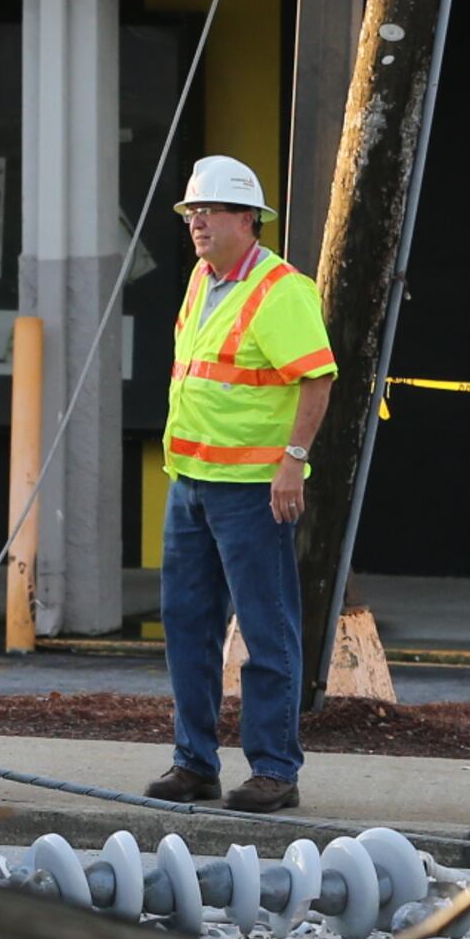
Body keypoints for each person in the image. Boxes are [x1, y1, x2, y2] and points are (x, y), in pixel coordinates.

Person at [145, 155, 334, 815]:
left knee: (266, 628)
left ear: (247, 219)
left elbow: (317, 377)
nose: (196, 222)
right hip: (193, 482)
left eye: (210, 211)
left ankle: (275, 770)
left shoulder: (280, 290)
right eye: (192, 212)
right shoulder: (203, 279)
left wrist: (293, 463)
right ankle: (193, 763)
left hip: (252, 489)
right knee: (187, 627)